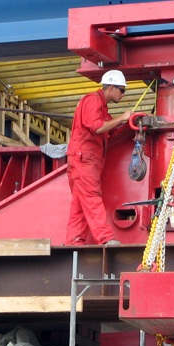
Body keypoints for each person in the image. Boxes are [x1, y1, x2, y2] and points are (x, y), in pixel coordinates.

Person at [65, 70, 132, 245]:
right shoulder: (92, 100)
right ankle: (105, 238)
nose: (123, 94)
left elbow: (108, 128)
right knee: (92, 198)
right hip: (84, 160)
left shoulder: (101, 106)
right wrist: (123, 117)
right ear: (111, 87)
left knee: (79, 204)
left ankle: (74, 241)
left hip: (85, 160)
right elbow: (97, 127)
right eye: (121, 90)